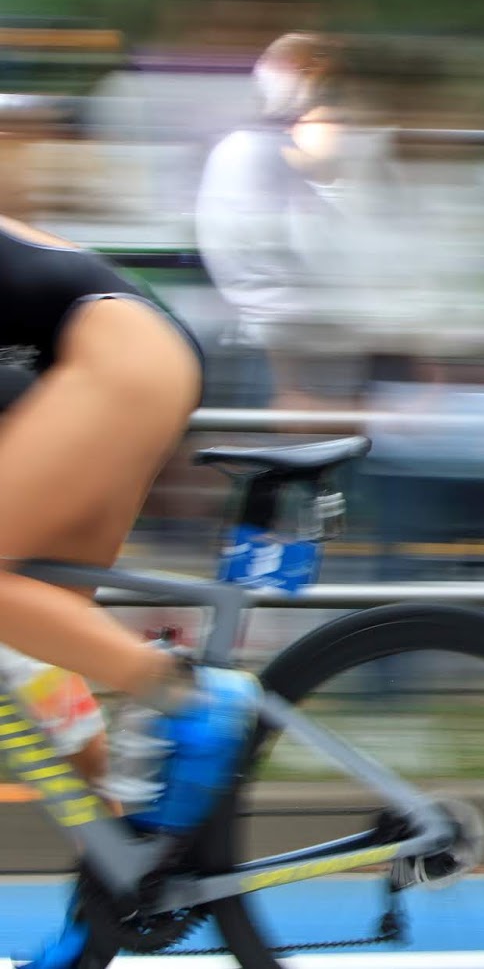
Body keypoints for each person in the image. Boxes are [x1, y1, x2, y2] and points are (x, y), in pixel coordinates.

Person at [0, 218, 260, 968]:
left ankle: (190, 698)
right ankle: (111, 902)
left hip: (116, 355)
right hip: (122, 354)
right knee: (42, 637)